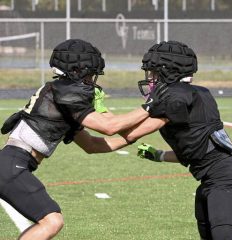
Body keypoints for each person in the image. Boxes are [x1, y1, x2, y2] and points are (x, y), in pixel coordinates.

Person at [0, 38, 168, 240]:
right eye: (89, 75)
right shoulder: (65, 92)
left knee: (50, 220)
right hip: (12, 165)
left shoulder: (59, 95)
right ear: (77, 71)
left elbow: (92, 145)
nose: (91, 80)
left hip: (11, 165)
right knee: (52, 221)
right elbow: (109, 126)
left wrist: (132, 137)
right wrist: (152, 105)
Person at [120, 40, 232, 240]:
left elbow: (130, 134)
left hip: (222, 181)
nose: (150, 79)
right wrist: (158, 155)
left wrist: (96, 113)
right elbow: (196, 149)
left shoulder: (176, 98)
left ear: (167, 72)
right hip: (213, 179)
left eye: (153, 74)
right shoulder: (197, 93)